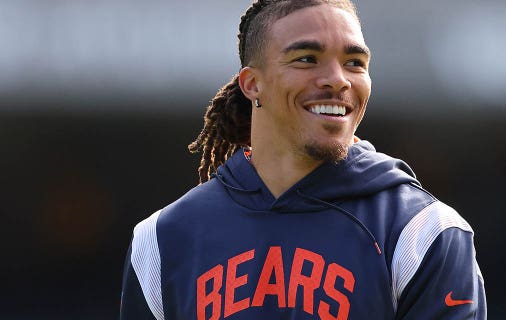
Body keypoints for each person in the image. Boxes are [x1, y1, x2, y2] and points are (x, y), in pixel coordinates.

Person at [119, 0, 486, 319]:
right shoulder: (161, 240)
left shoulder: (422, 233)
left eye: (355, 63)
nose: (338, 80)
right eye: (307, 59)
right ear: (252, 84)